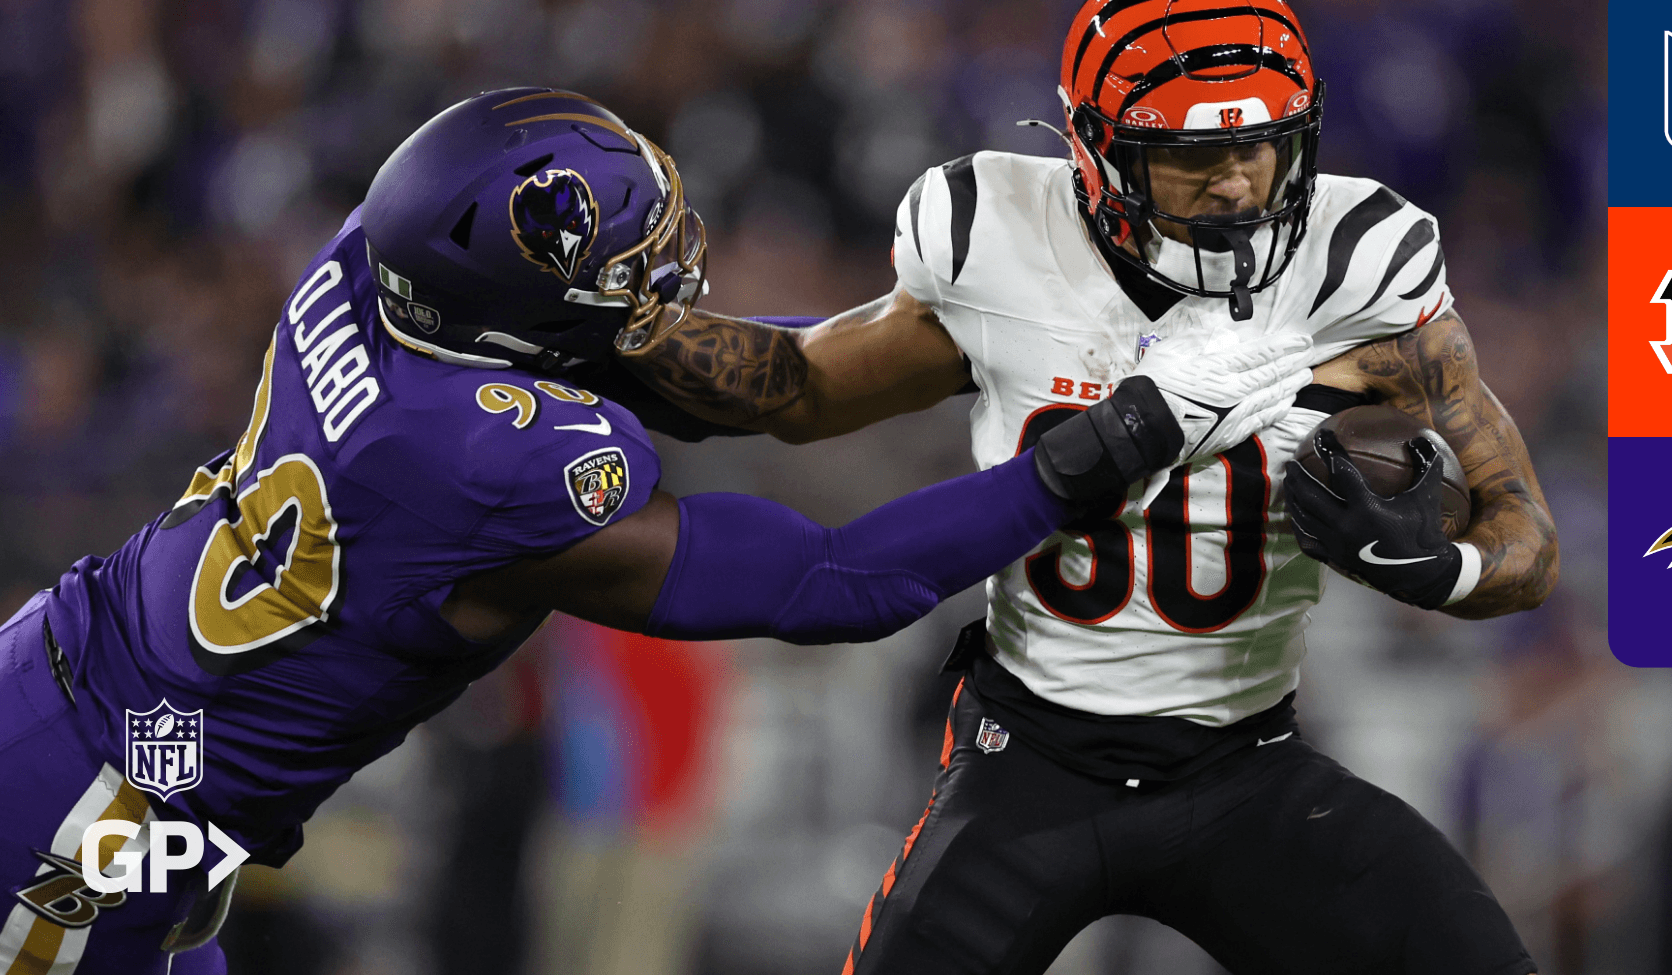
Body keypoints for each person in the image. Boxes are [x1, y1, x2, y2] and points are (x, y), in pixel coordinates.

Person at [0, 88, 1309, 974]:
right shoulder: (494, 467)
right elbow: (835, 580)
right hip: (109, 816)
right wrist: (1110, 446)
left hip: (64, 675)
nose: (666, 272)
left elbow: (721, 376)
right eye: (630, 261)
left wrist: (984, 347)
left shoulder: (367, 274)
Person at [623, 0, 1558, 975]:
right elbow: (800, 388)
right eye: (1195, 157)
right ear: (1098, 152)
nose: (1238, 183)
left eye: (1261, 146)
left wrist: (1443, 569)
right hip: (1029, 760)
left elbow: (1524, 532)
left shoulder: (1358, 260)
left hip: (1246, 761)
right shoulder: (1000, 239)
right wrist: (598, 339)